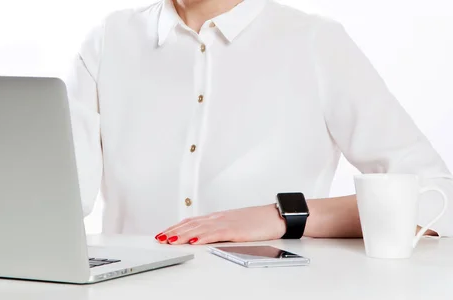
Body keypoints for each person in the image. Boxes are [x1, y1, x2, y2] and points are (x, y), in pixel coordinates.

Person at [66, 0, 453, 244]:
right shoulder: (108, 41)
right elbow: (57, 201)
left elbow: (438, 198)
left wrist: (281, 216)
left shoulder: (315, 42)